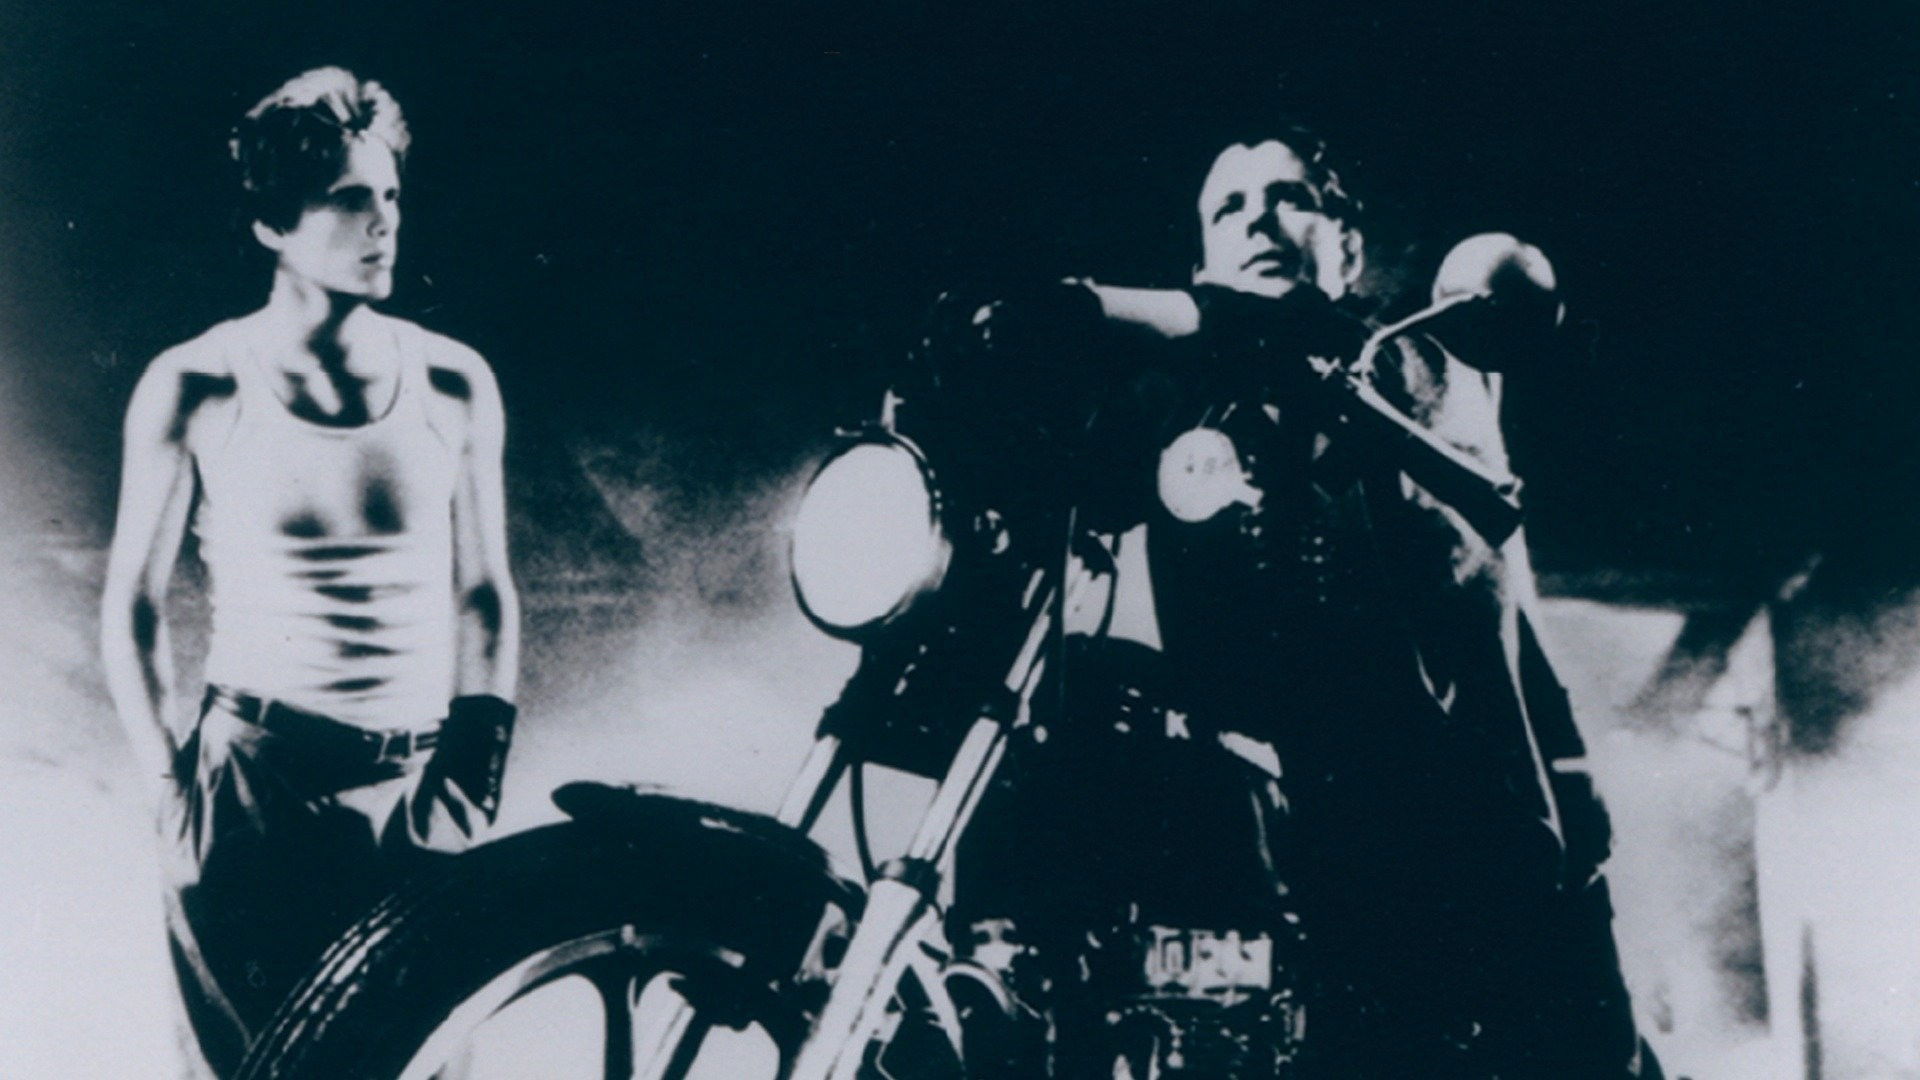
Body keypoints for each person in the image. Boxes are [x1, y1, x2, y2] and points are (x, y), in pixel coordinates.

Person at [933, 122, 1661, 1077]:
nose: (1259, 221)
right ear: (1203, 255)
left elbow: (1285, 337)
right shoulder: (1196, 414)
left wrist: (1088, 304)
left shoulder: (1418, 361)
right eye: (1229, 208)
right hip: (1310, 862)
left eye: (1291, 199)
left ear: (1347, 246)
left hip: (1491, 838)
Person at [98, 67, 520, 1078]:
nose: (385, 222)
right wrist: (170, 787)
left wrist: (474, 774)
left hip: (417, 784)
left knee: (419, 1063)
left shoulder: (454, 379)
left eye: (392, 195)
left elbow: (485, 592)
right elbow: (132, 604)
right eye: (349, 199)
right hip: (254, 787)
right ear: (272, 226)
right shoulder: (195, 383)